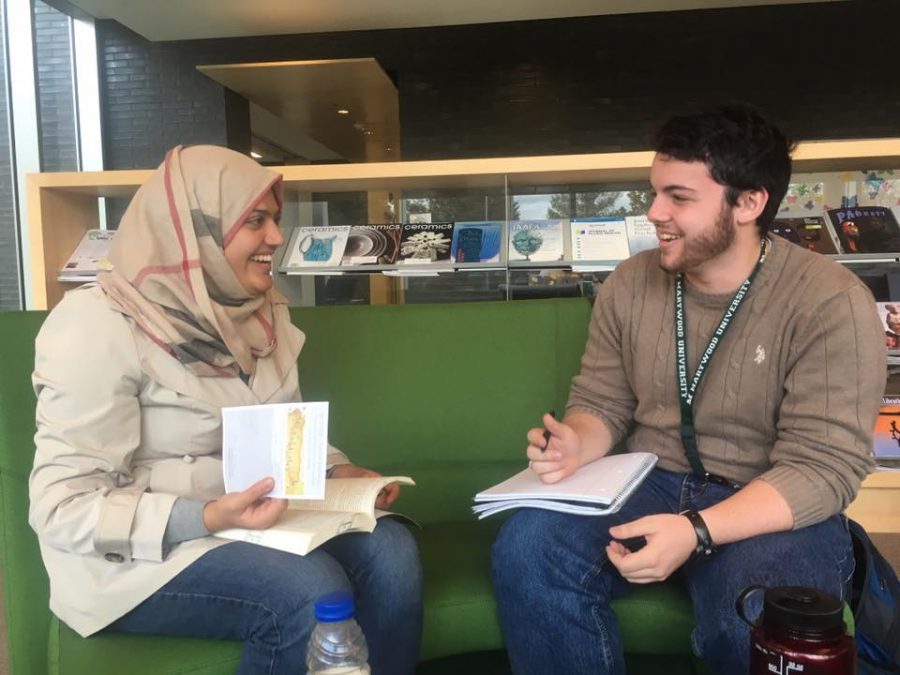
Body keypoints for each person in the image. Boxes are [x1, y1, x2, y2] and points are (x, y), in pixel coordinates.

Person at [492, 104, 886, 674]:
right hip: (649, 482)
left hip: (766, 499)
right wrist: (577, 442)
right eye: (654, 193)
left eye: (679, 197)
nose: (654, 213)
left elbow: (823, 468)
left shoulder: (829, 300)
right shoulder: (630, 282)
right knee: (528, 547)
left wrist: (697, 531)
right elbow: (601, 401)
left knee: (748, 618)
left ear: (749, 203)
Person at [28, 145, 423, 674]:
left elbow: (274, 425)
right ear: (195, 233)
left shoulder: (259, 313)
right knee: (307, 589)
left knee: (391, 549)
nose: (277, 239)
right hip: (139, 559)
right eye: (255, 221)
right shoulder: (94, 325)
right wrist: (207, 515)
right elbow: (62, 507)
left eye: (275, 220)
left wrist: (337, 471)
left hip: (251, 523)